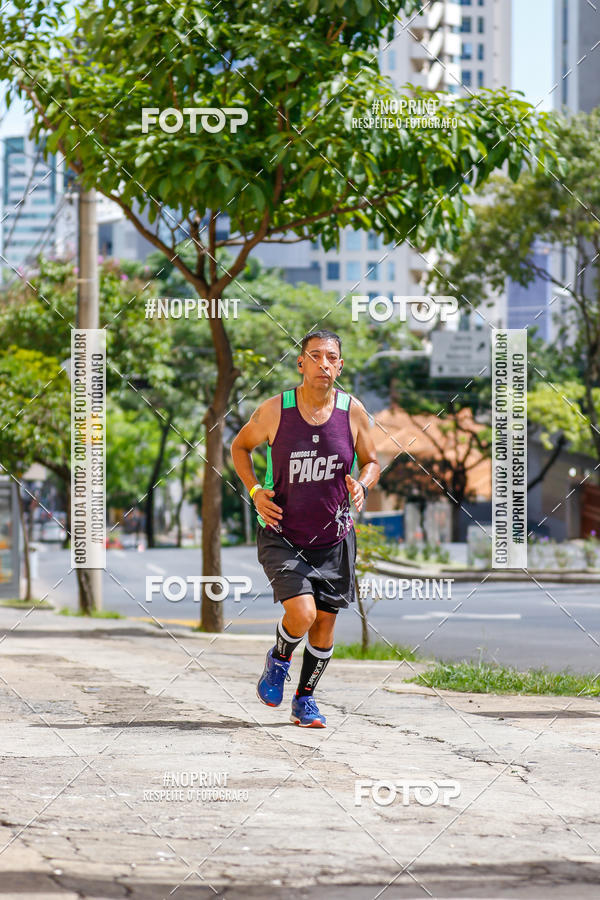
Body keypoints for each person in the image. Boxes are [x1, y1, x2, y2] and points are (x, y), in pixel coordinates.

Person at [230, 330, 380, 727]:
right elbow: (239, 447)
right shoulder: (276, 410)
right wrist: (255, 491)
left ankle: (304, 700)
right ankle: (279, 658)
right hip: (283, 533)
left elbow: (372, 461)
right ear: (301, 363)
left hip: (335, 537)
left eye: (331, 357)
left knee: (325, 625)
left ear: (340, 366)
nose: (323, 364)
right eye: (314, 356)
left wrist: (363, 484)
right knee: (303, 613)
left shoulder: (353, 411)